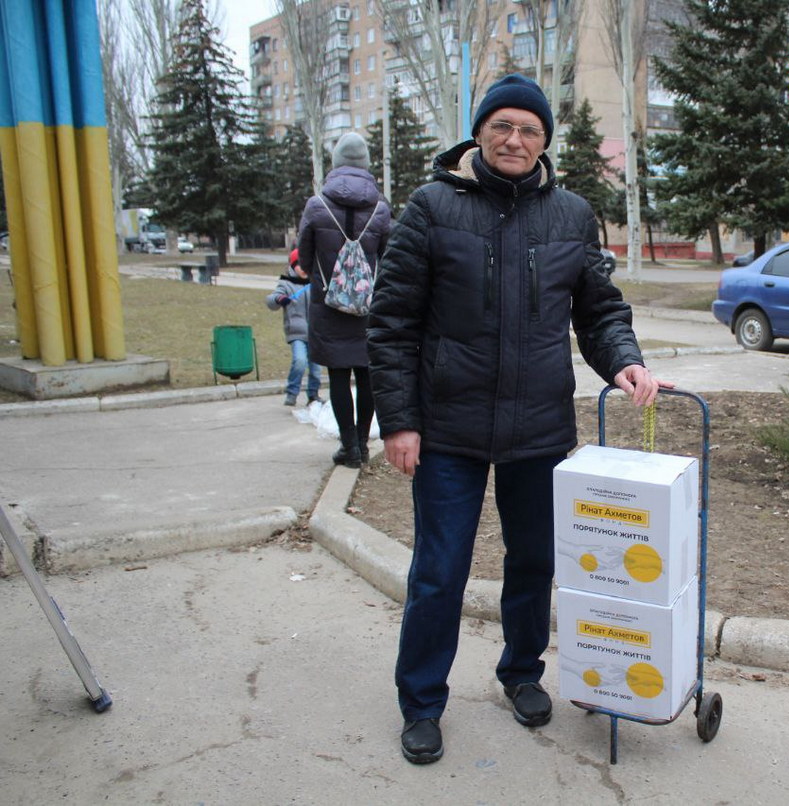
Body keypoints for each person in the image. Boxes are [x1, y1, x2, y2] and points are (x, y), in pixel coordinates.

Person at [367, 73, 669, 765]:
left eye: (529, 130)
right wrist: (399, 421)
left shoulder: (570, 215)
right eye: (502, 126)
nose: (514, 139)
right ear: (479, 132)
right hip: (447, 430)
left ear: (544, 142)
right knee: (440, 571)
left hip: (539, 430)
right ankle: (421, 702)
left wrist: (625, 362)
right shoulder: (430, 208)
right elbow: (391, 325)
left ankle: (521, 674)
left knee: (534, 564)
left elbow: (599, 310)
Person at [297, 131, 392, 468]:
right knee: (367, 375)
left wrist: (324, 280)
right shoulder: (380, 208)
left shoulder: (316, 206)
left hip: (328, 304)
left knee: (338, 375)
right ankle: (365, 445)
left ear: (335, 165)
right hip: (369, 307)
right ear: (366, 166)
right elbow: (389, 258)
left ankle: (348, 446)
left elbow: (304, 259)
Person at [265, 248, 322, 407]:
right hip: (297, 332)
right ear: (293, 266)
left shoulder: (315, 282)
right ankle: (292, 392)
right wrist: (279, 299)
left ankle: (313, 394)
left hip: (315, 333)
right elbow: (271, 300)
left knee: (316, 369)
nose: (303, 268)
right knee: (299, 361)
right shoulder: (286, 283)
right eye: (299, 265)